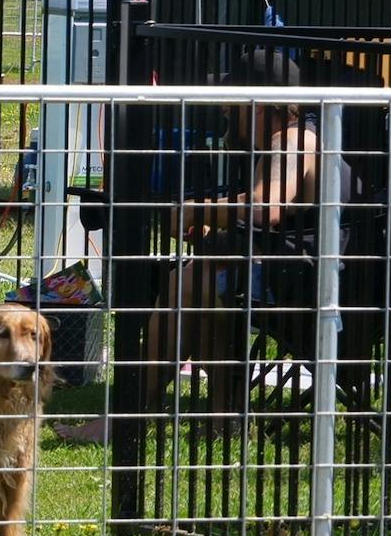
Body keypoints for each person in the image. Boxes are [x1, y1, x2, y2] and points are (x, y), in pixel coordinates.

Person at [142, 48, 332, 421]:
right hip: (304, 273)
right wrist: (216, 226)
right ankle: (223, 416)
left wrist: (196, 210)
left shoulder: (291, 142)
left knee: (186, 284)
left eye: (232, 108)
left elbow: (265, 207)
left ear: (257, 106)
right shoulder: (293, 140)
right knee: (207, 279)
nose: (226, 116)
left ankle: (131, 411)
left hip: (313, 286)